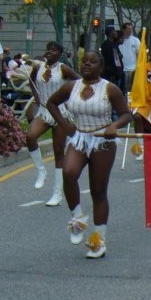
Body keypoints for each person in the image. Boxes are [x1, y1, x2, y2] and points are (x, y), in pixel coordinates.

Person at [46, 51, 131, 259]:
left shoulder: (110, 89)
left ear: (100, 67)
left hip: (103, 140)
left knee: (98, 191)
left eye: (92, 62)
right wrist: (66, 126)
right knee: (68, 172)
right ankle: (77, 218)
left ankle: (98, 241)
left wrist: (115, 125)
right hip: (79, 138)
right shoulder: (70, 86)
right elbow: (51, 103)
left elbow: (127, 114)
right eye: (84, 61)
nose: (87, 65)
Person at [27, 42, 80, 206]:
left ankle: (57, 194)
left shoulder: (63, 69)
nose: (49, 51)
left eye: (54, 50)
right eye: (48, 48)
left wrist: (68, 98)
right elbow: (31, 80)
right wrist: (37, 97)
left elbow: (78, 81)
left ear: (60, 53)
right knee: (30, 136)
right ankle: (41, 171)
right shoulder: (38, 66)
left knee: (59, 152)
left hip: (60, 112)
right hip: (43, 111)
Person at [118, 22, 140, 93]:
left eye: (131, 29)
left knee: (131, 89)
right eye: (128, 29)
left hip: (133, 70)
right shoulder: (119, 41)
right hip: (122, 70)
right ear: (123, 30)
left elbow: (139, 54)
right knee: (122, 89)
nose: (130, 30)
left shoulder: (136, 40)